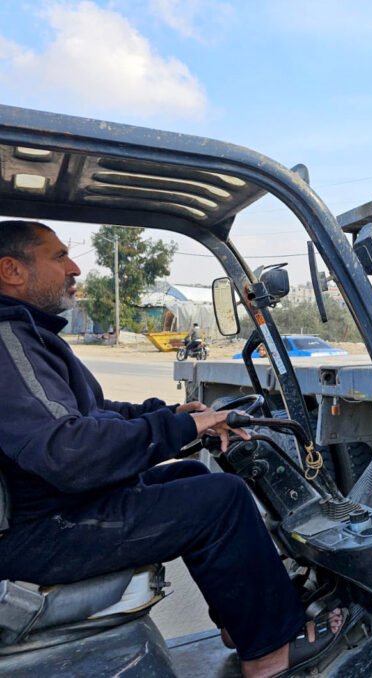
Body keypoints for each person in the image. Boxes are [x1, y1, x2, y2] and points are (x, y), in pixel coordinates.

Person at [0, 221, 342, 678]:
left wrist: (172, 413)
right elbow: (66, 451)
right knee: (221, 500)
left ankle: (245, 627)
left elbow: (94, 413)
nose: (74, 267)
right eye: (59, 257)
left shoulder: (30, 337)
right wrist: (173, 427)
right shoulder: (10, 344)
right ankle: (269, 656)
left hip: (55, 507)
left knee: (194, 478)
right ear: (11, 270)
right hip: (42, 526)